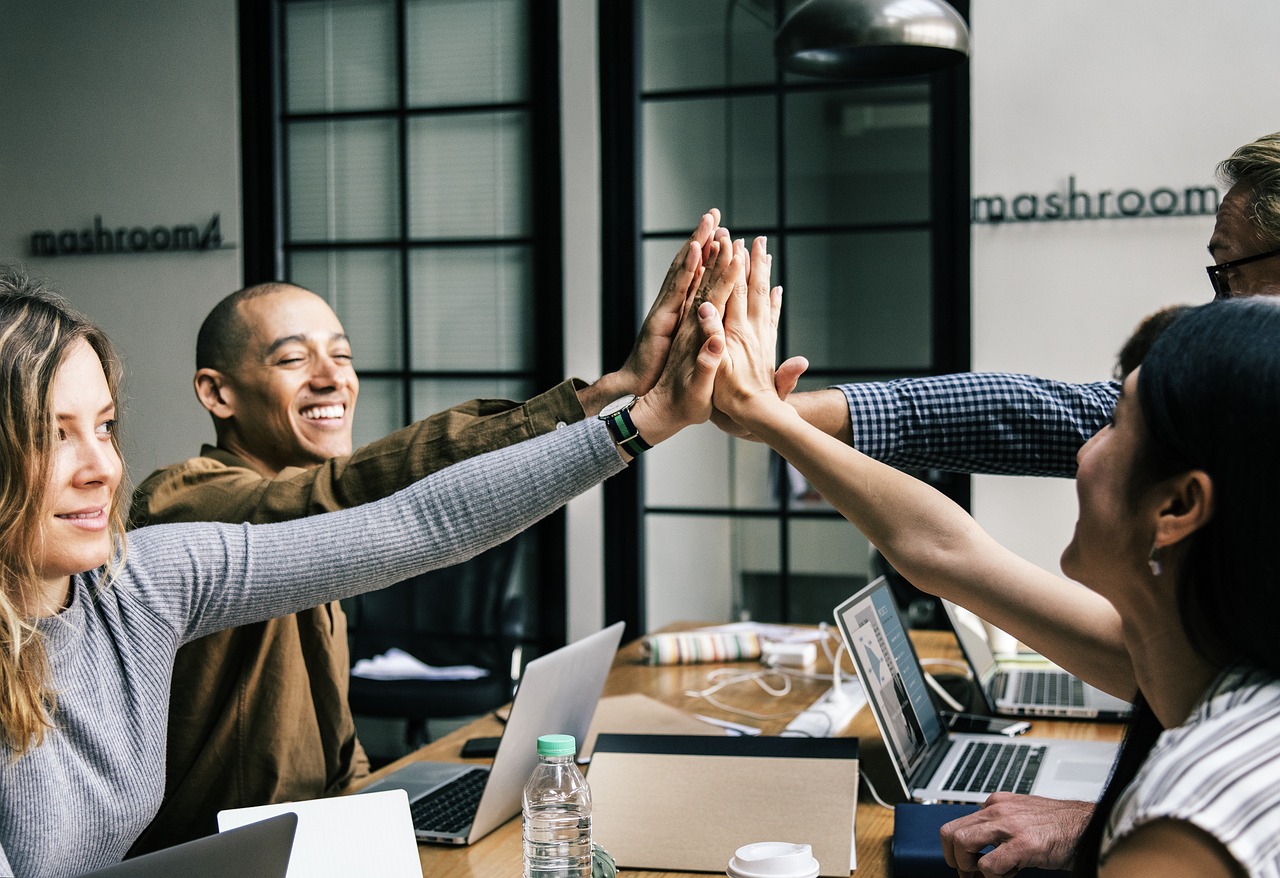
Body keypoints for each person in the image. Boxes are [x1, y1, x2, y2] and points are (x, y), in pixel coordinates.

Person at [0, 235, 739, 878]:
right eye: (54, 433)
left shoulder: (139, 583)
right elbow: (351, 494)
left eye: (104, 427)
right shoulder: (188, 499)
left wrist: (638, 420)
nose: (101, 467)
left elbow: (421, 522)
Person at [711, 131, 1280, 874]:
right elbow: (951, 548)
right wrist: (773, 418)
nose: (1080, 444)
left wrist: (1118, 832)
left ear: (1181, 505)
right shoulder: (1218, 672)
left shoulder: (1202, 809)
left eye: (1116, 426)